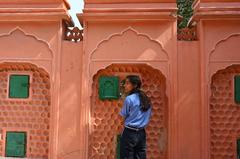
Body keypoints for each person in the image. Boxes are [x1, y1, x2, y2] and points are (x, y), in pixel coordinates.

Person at [119, 75, 152, 159]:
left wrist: (121, 128)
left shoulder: (129, 99)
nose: (124, 85)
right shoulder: (146, 98)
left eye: (127, 83)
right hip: (141, 134)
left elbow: (123, 116)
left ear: (135, 85)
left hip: (129, 132)